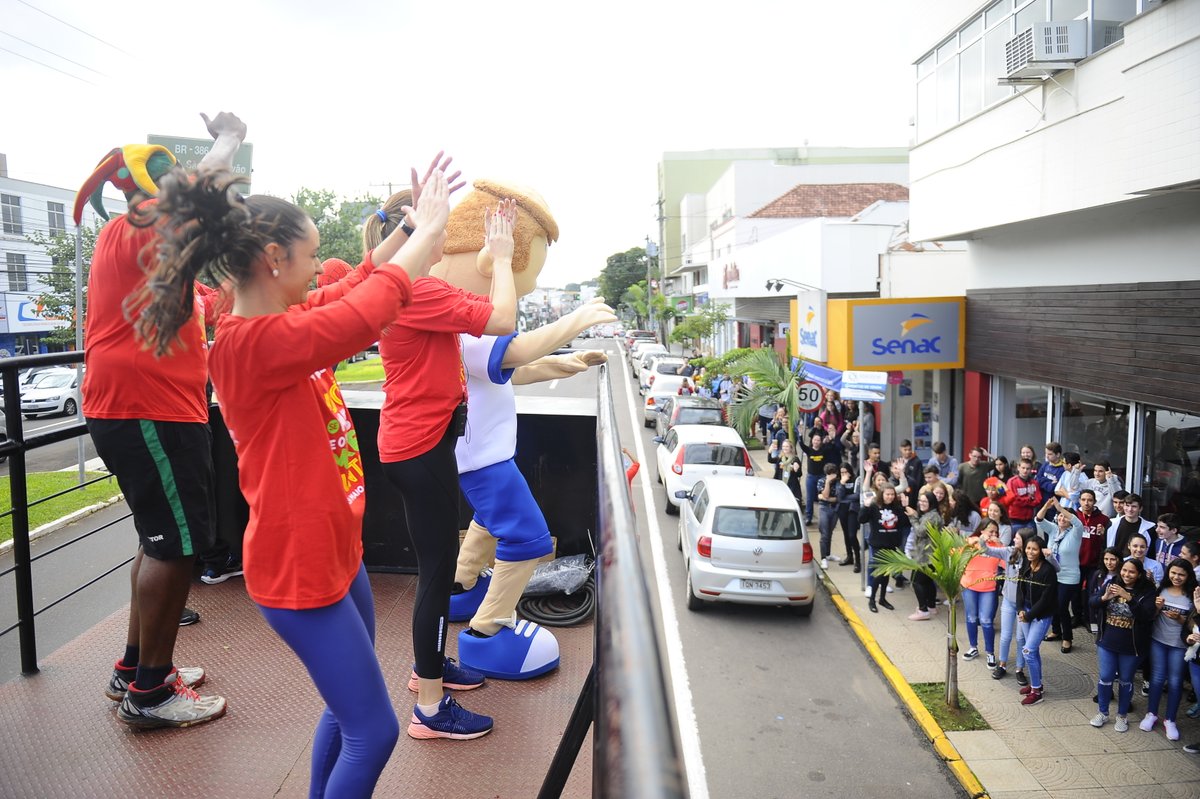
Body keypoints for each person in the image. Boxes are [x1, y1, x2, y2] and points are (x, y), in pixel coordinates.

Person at [135, 163, 441, 793]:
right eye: (311, 254)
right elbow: (363, 315)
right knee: (374, 731)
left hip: (334, 553)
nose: (319, 266)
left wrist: (408, 232)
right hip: (301, 569)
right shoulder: (251, 344)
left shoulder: (283, 321)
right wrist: (429, 235)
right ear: (274, 259)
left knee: (349, 712)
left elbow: (353, 288)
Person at [78, 114, 246, 728]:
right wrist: (229, 137)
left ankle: (135, 667)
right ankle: (151, 692)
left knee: (158, 541)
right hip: (149, 409)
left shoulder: (127, 236)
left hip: (137, 406)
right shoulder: (143, 224)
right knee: (175, 549)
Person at [376, 183, 517, 739]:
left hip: (412, 445)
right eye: (442, 226)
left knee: (436, 565)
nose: (446, 237)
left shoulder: (396, 283)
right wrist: (501, 257)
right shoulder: (419, 290)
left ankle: (427, 667)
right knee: (436, 575)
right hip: (422, 448)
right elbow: (502, 318)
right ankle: (431, 709)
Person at [1089, 557, 1157, 732]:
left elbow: (1146, 615)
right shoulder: (1112, 583)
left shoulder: (1148, 591)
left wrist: (1129, 598)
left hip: (1132, 646)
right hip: (1107, 641)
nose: (1127, 574)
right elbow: (1092, 602)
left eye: (1132, 572)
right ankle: (1103, 712)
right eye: (1124, 570)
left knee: (1126, 680)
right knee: (1105, 677)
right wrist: (1104, 598)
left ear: (1139, 574)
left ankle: (1122, 716)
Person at [1140, 558, 1198, 741]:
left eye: (1181, 574)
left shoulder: (1193, 595)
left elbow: (1194, 623)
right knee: (1157, 679)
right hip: (1158, 640)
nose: (1176, 577)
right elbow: (1150, 616)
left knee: (1175, 682)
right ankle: (1151, 714)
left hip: (1179, 645)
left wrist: (1180, 619)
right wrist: (1157, 609)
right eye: (1173, 573)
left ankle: (1170, 719)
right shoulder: (1161, 589)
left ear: (1188, 576)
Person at [1036, 496, 1083, 652]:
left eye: (1065, 516)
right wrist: (1046, 506)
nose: (1062, 518)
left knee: (1062, 606)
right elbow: (1039, 520)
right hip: (1052, 575)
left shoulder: (1075, 532)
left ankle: (1067, 638)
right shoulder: (1053, 529)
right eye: (1060, 516)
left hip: (1069, 577)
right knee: (1052, 603)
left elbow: (1078, 522)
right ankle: (1056, 631)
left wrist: (1060, 508)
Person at [1016, 536, 1058, 706]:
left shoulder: (1048, 570)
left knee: (1028, 651)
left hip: (1041, 615)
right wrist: (1020, 609)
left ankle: (1036, 692)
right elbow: (1020, 588)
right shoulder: (1026, 564)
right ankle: (1037, 685)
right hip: (1025, 612)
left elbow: (1046, 599)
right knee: (1032, 651)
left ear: (1041, 551)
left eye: (1034, 549)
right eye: (1028, 548)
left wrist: (1029, 615)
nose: (1030, 552)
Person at [982, 529, 1027, 681]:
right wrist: (983, 539)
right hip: (1008, 600)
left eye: (1017, 538)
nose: (1014, 540)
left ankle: (1020, 669)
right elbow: (987, 550)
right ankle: (1002, 665)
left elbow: (1055, 567)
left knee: (1021, 638)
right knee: (1005, 636)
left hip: (1024, 604)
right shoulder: (1009, 551)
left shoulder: (1032, 555)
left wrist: (1049, 555)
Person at [859, 483, 910, 613]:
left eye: (892, 494)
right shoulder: (874, 506)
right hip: (878, 545)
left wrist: (905, 507)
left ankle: (882, 598)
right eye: (887, 494)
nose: (890, 497)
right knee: (879, 573)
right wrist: (865, 506)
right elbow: (861, 519)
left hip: (892, 544)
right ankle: (872, 600)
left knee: (886, 573)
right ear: (882, 494)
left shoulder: (897, 508)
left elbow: (904, 523)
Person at [960, 520, 1003, 666]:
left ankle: (990, 653)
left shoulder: (997, 546)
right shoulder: (972, 541)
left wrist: (1001, 544)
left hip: (988, 587)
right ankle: (973, 647)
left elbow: (1006, 562)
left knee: (986, 620)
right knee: (971, 617)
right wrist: (975, 542)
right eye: (991, 531)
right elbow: (957, 553)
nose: (993, 534)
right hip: (969, 585)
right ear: (982, 530)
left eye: (996, 532)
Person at [1075, 488, 1111, 632]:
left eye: (1090, 500)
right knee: (1075, 591)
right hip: (1076, 562)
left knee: (1091, 592)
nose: (1086, 503)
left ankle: (1089, 619)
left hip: (1094, 563)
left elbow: (1108, 542)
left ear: (1095, 501)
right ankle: (1077, 616)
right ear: (1079, 501)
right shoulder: (1074, 516)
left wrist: (1103, 534)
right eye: (1083, 500)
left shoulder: (1104, 519)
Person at [903, 491, 942, 620]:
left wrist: (913, 517)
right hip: (928, 554)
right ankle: (931, 606)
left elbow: (920, 532)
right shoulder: (930, 515)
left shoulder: (932, 516)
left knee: (916, 581)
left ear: (931, 502)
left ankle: (923, 610)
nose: (922, 503)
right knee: (928, 581)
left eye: (925, 501)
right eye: (920, 501)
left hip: (926, 556)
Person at [799, 429, 841, 525]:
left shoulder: (824, 450)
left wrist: (832, 438)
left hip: (821, 476)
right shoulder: (809, 450)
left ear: (821, 441)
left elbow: (831, 447)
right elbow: (801, 445)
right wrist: (800, 435)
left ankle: (826, 516)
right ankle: (808, 517)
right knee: (809, 498)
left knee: (824, 496)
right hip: (811, 477)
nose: (816, 442)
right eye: (815, 440)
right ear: (812, 441)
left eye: (818, 440)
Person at [835, 463, 863, 573]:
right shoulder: (839, 481)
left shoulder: (856, 480)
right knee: (846, 535)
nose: (844, 474)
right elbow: (839, 497)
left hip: (853, 510)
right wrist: (842, 483)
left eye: (845, 472)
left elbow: (858, 495)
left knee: (852, 535)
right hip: (842, 510)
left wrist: (845, 498)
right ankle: (849, 556)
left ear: (850, 471)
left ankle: (858, 561)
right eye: (842, 472)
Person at [1005, 458, 1043, 534]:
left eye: (1028, 468)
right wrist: (1030, 498)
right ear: (1018, 468)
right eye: (1023, 468)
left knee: (1032, 539)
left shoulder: (1034, 483)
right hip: (1014, 519)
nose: (1025, 471)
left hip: (1029, 519)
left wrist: (1023, 500)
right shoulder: (1012, 482)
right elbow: (1014, 501)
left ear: (1031, 469)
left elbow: (1038, 500)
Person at [816, 462, 840, 569]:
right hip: (824, 508)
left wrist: (825, 498)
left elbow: (838, 498)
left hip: (834, 509)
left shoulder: (838, 482)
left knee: (830, 532)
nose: (832, 476)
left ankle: (828, 554)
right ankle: (823, 558)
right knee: (824, 534)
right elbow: (825, 495)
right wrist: (827, 483)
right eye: (829, 474)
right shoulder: (821, 481)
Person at [1035, 442, 1067, 519]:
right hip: (1042, 502)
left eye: (1050, 454)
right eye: (1046, 453)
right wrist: (1049, 483)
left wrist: (1045, 481)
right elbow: (1037, 480)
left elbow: (1055, 488)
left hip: (1053, 504)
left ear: (1058, 454)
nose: (1047, 456)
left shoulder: (1063, 469)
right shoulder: (1045, 464)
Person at [767, 438, 804, 503]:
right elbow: (770, 460)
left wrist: (796, 469)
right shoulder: (780, 458)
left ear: (791, 448)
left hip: (791, 486)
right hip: (780, 484)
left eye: (787, 446)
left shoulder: (795, 459)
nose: (785, 448)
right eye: (783, 446)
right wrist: (769, 452)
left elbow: (799, 474)